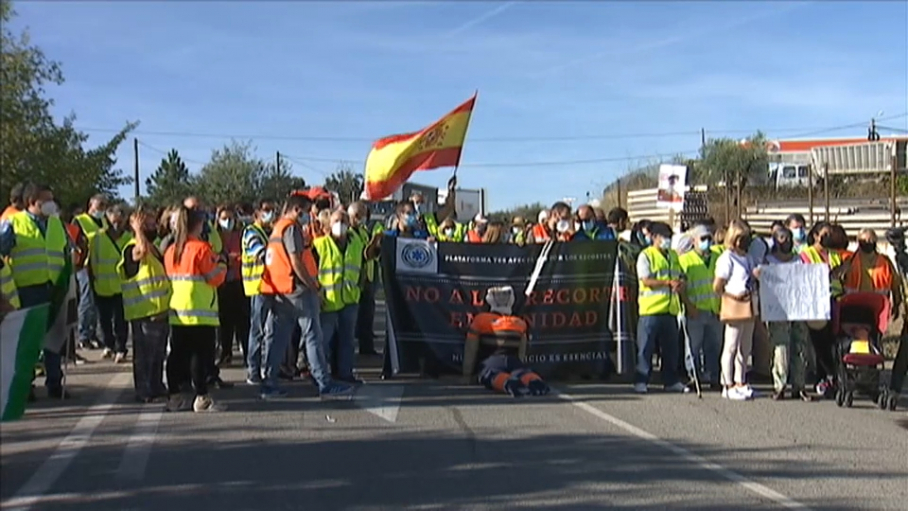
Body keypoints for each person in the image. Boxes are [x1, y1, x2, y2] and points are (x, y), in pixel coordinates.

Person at [260, 193, 353, 400]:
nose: (309, 216)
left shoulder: (278, 228)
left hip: (282, 290)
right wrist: (313, 286)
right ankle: (324, 383)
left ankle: (269, 383)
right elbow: (296, 261)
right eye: (306, 212)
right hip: (299, 290)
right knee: (313, 337)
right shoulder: (291, 228)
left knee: (278, 338)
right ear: (297, 210)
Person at [0, 183, 71, 398]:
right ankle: (26, 385)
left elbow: (66, 251)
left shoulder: (57, 224)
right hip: (26, 289)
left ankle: (55, 383)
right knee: (27, 340)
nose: (52, 204)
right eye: (46, 200)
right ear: (32, 202)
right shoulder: (13, 223)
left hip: (54, 288)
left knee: (54, 337)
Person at [163, 207, 227, 412]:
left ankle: (174, 397)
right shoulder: (201, 249)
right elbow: (213, 278)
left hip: (178, 310)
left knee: (177, 354)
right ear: (198, 224)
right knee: (200, 355)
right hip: (200, 310)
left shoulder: (172, 250)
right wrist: (223, 266)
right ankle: (201, 397)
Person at [119, 207, 171, 403]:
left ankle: (156, 386)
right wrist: (138, 230)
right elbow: (139, 253)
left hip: (159, 310)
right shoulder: (131, 247)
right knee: (144, 357)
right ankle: (145, 391)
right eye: (147, 224)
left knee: (157, 355)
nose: (152, 227)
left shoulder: (154, 247)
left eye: (151, 223)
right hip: (144, 311)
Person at [461, 286, 549, 397]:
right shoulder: (520, 323)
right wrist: (519, 363)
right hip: (513, 361)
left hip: (491, 361)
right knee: (523, 372)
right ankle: (535, 381)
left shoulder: (481, 319)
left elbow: (470, 349)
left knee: (490, 374)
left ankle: (507, 383)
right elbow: (521, 352)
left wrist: (467, 374)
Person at [634, 221, 688, 394]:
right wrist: (666, 282)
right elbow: (646, 280)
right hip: (650, 310)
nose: (667, 241)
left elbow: (680, 275)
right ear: (655, 238)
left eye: (669, 237)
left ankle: (671, 380)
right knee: (646, 348)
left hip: (670, 309)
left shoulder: (673, 255)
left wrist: (680, 283)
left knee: (670, 349)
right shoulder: (646, 255)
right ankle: (641, 380)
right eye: (664, 237)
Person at [313, 210, 365, 384]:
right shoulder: (319, 245)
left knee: (347, 340)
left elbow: (363, 264)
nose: (340, 224)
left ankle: (345, 373)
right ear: (328, 225)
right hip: (327, 300)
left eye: (343, 220)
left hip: (350, 299)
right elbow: (310, 271)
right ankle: (320, 376)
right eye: (336, 221)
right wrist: (317, 293)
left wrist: (360, 286)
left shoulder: (356, 242)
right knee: (323, 341)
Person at [764, 227, 814, 401]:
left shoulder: (799, 261)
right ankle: (780, 385)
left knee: (800, 347)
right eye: (781, 237)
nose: (785, 241)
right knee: (780, 348)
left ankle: (799, 386)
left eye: (788, 238)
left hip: (798, 310)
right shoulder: (768, 261)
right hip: (778, 311)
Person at [713, 220, 759, 401]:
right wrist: (730, 295)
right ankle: (727, 383)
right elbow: (717, 285)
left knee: (745, 347)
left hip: (750, 302)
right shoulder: (727, 258)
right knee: (731, 346)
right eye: (741, 238)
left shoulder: (748, 258)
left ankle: (741, 381)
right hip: (734, 302)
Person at [800, 221, 843, 397]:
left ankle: (832, 377)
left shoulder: (834, 255)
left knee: (833, 342)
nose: (827, 237)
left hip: (835, 300)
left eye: (830, 234)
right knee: (820, 343)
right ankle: (822, 377)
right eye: (824, 234)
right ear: (816, 235)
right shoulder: (806, 254)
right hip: (816, 302)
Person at [679, 225, 722, 390]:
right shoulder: (685, 260)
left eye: (709, 238)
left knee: (714, 345)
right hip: (695, 310)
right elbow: (682, 288)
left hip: (714, 309)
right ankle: (693, 376)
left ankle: (714, 376)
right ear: (693, 241)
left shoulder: (718, 257)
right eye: (702, 239)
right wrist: (689, 307)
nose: (707, 242)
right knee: (693, 347)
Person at [89, 205, 132, 363]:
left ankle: (121, 347)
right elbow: (92, 261)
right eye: (113, 221)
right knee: (104, 319)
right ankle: (109, 345)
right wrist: (92, 281)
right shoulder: (97, 238)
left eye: (120, 222)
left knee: (121, 320)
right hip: (102, 286)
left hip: (121, 287)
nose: (116, 225)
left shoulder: (128, 238)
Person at [241, 199, 275, 384]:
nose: (270, 214)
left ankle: (268, 370)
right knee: (258, 331)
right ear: (256, 214)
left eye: (271, 210)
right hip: (258, 287)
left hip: (272, 286)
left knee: (271, 332)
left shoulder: (270, 232)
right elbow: (262, 254)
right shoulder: (251, 232)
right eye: (266, 211)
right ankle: (253, 370)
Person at [72, 194, 109, 350]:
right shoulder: (79, 220)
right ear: (91, 205)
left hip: (100, 266)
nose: (102, 209)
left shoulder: (104, 221)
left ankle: (93, 334)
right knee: (87, 301)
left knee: (96, 303)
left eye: (104, 205)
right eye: (100, 205)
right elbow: (73, 242)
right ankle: (84, 335)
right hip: (84, 265)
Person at [215, 204, 249, 366]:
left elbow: (245, 255)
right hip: (222, 283)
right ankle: (225, 352)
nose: (228, 222)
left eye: (230, 218)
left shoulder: (240, 235)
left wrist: (236, 258)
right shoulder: (216, 236)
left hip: (239, 281)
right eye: (224, 219)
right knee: (225, 321)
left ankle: (247, 353)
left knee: (243, 320)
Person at [349, 201, 381, 356]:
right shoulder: (348, 233)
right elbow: (364, 254)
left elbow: (370, 254)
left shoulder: (362, 232)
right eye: (361, 214)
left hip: (366, 279)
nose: (364, 218)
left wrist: (376, 244)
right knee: (351, 319)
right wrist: (374, 241)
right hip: (352, 282)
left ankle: (367, 348)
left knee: (367, 316)